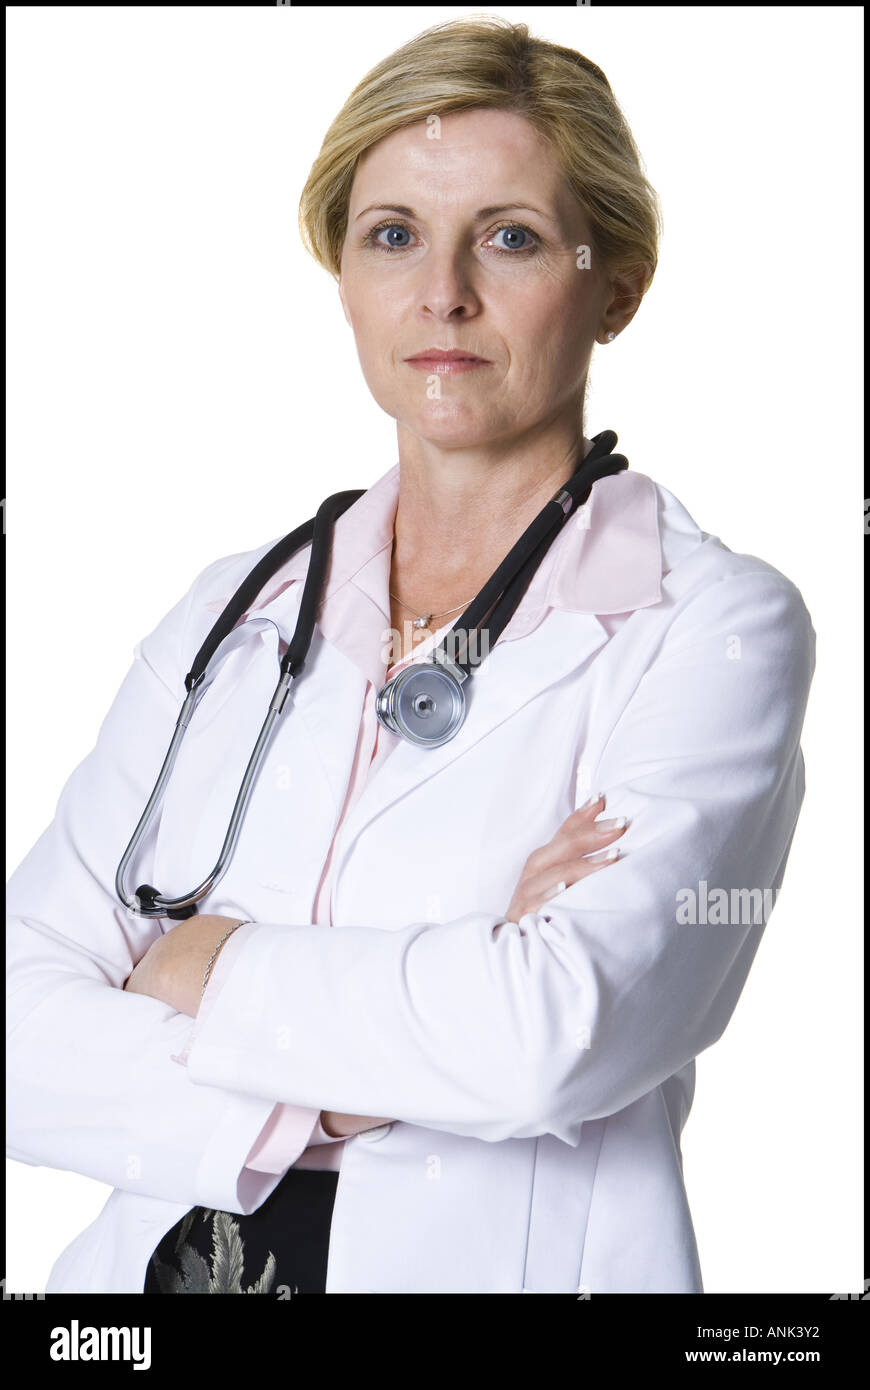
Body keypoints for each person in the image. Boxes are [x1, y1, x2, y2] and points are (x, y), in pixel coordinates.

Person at [6, 16, 815, 1295]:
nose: (443, 293)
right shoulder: (237, 615)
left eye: (510, 237)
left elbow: (555, 1032)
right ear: (342, 271)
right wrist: (393, 1032)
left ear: (618, 281)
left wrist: (199, 966)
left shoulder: (711, 629)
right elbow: (15, 1025)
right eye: (393, 236)